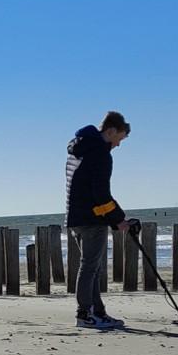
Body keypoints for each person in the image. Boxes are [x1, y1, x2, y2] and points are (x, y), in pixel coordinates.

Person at [66, 111, 136, 329]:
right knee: (89, 267)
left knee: (92, 267)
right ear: (111, 131)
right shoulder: (100, 153)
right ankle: (85, 314)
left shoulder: (80, 149)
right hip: (91, 219)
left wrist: (115, 219)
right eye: (120, 138)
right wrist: (119, 219)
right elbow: (101, 194)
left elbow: (85, 189)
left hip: (75, 217)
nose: (119, 144)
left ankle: (97, 312)